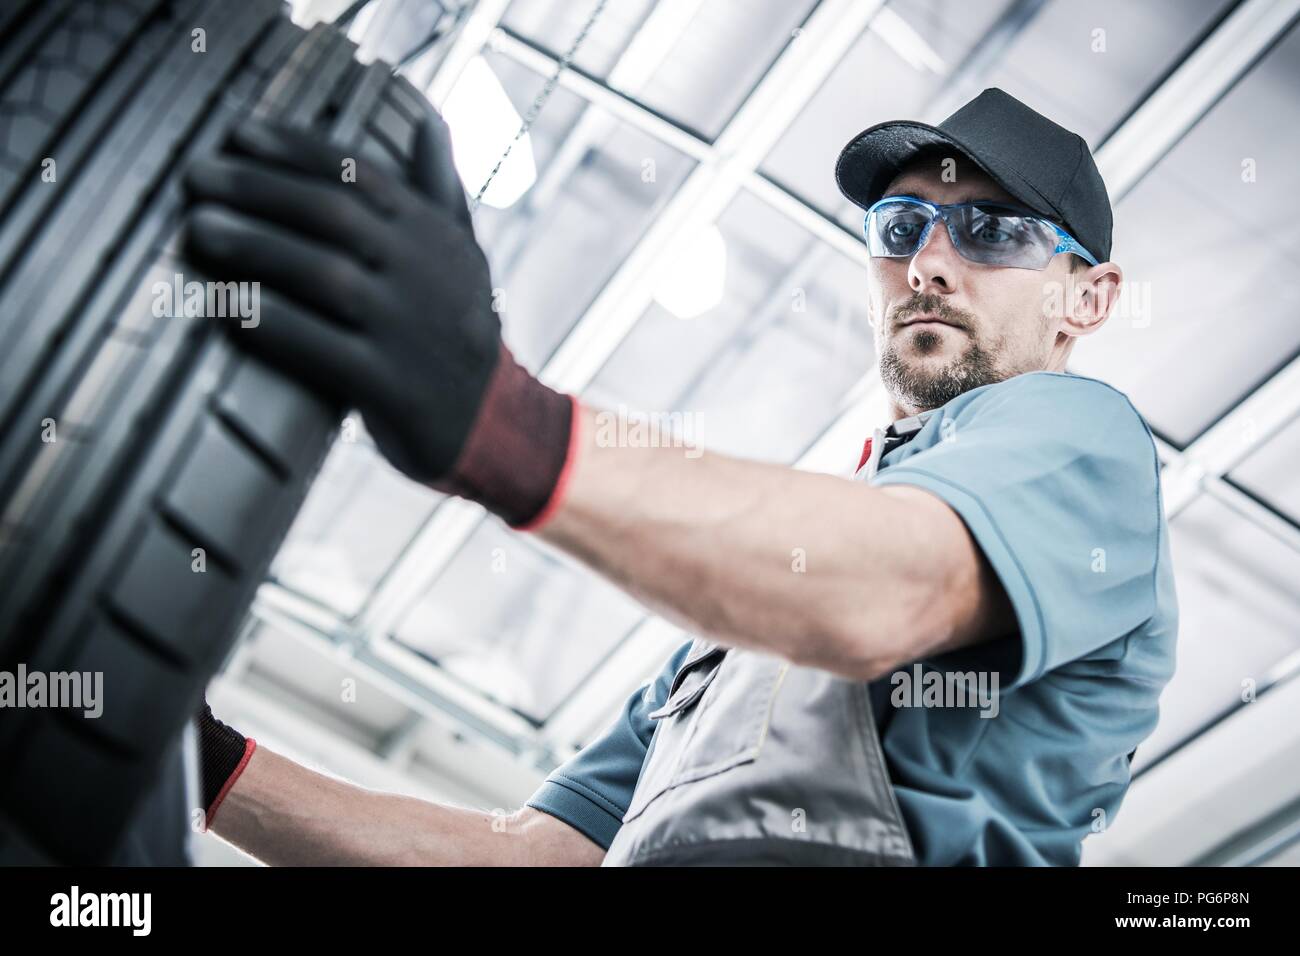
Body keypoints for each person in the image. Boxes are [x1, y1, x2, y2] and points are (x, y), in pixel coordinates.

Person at [181, 86, 1177, 866]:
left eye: (993, 230)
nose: (928, 262)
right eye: (901, 224)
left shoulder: (1079, 435)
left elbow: (889, 588)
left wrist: (496, 420)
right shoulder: (749, 616)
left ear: (1086, 298)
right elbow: (532, 853)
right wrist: (203, 766)